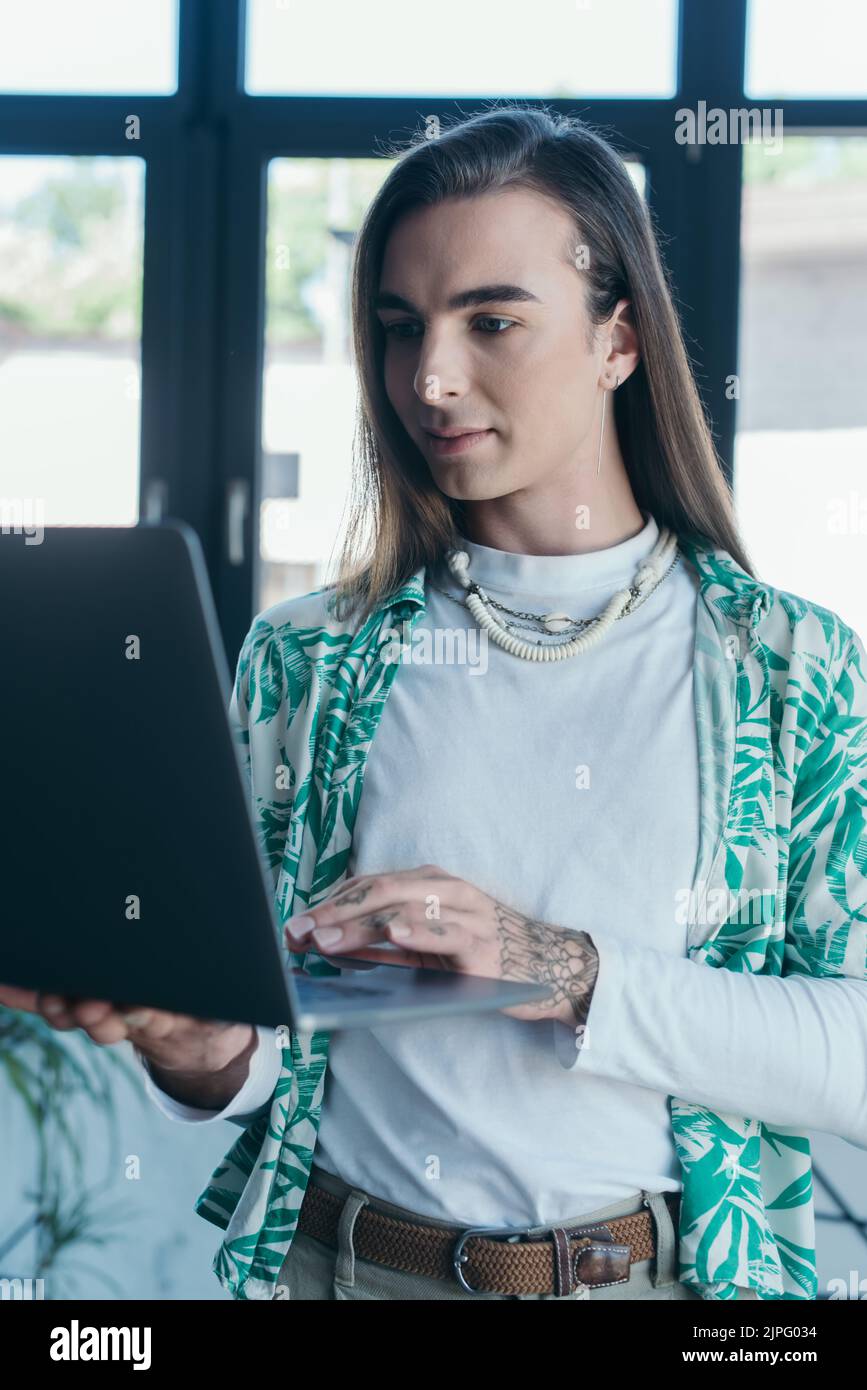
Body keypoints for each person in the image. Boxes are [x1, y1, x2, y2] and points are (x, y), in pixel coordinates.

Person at [3, 105, 866, 1303]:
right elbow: (269, 1052)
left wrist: (561, 965)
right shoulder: (308, 661)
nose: (430, 378)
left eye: (492, 321)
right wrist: (197, 1046)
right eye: (399, 328)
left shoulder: (790, 670)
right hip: (342, 1270)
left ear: (619, 340)